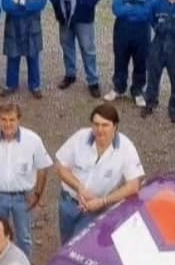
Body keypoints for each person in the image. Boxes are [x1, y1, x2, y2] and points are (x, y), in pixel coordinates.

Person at [0, 102, 52, 258]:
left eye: (12, 119)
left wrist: (38, 194)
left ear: (19, 119)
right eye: (4, 119)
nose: (8, 124)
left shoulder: (33, 140)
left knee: (24, 237)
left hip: (23, 198)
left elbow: (43, 167)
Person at [56, 103, 145, 243]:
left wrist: (103, 201)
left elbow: (133, 185)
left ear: (115, 126)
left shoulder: (126, 148)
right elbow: (61, 167)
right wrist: (79, 187)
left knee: (82, 247)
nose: (99, 130)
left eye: (105, 125)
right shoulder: (80, 138)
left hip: (96, 210)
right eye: (96, 124)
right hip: (68, 204)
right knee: (66, 244)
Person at [45, 0, 110, 97]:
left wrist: (90, 2)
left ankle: (93, 81)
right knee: (66, 43)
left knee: (87, 47)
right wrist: (54, 0)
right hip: (63, 9)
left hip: (83, 10)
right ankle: (70, 74)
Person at [105, 0, 157, 106]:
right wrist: (136, 10)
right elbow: (116, 9)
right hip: (122, 29)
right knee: (120, 58)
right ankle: (119, 87)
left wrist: (129, 9)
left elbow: (148, 12)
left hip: (142, 31)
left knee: (141, 61)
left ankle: (138, 90)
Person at [0, 0, 48, 98]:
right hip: (13, 23)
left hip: (32, 23)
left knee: (33, 55)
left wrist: (20, 1)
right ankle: (11, 84)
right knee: (13, 55)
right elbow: (6, 4)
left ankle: (35, 85)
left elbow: (41, 2)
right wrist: (29, 2)